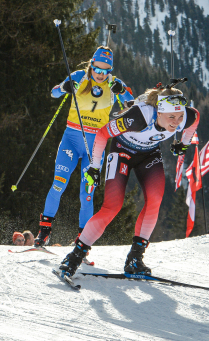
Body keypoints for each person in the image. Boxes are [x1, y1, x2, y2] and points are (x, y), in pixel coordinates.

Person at [58, 84, 200, 278]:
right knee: (112, 206)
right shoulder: (138, 117)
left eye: (180, 116)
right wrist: (94, 167)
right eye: (171, 117)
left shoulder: (186, 117)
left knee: (155, 200)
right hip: (122, 152)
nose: (176, 122)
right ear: (158, 112)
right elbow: (102, 134)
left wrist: (182, 144)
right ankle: (74, 257)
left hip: (149, 154)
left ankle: (135, 259)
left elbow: (194, 120)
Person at [35, 46, 134, 247]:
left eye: (106, 71)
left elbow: (132, 106)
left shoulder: (115, 83)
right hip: (70, 139)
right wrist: (64, 88)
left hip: (95, 146)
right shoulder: (80, 76)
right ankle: (44, 232)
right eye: (98, 69)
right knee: (58, 184)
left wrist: (122, 93)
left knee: (86, 195)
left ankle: (82, 240)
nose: (101, 74)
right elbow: (54, 93)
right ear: (92, 65)